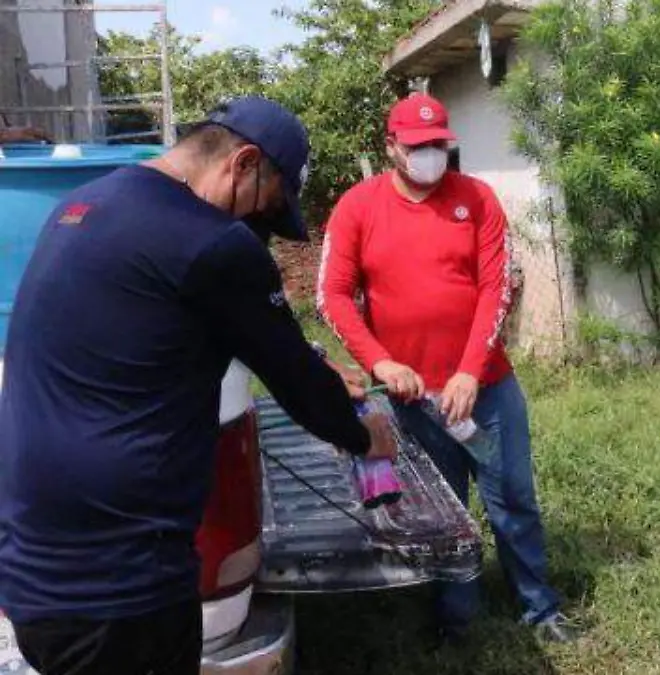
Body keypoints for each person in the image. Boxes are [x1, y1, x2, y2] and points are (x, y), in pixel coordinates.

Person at [0, 97, 397, 675]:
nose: (257, 231)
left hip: (33, 572)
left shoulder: (86, 204)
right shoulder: (210, 242)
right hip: (123, 586)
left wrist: (303, 359)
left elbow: (159, 332)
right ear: (244, 163)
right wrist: (366, 438)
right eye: (265, 209)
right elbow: (300, 386)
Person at [318, 93, 574, 643]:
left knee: (513, 499)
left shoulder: (476, 198)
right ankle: (456, 617)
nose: (429, 154)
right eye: (417, 146)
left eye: (438, 143)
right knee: (442, 509)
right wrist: (380, 360)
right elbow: (332, 295)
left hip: (486, 390)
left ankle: (539, 606)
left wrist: (469, 371)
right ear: (391, 147)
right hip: (413, 400)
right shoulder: (358, 207)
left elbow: (495, 288)